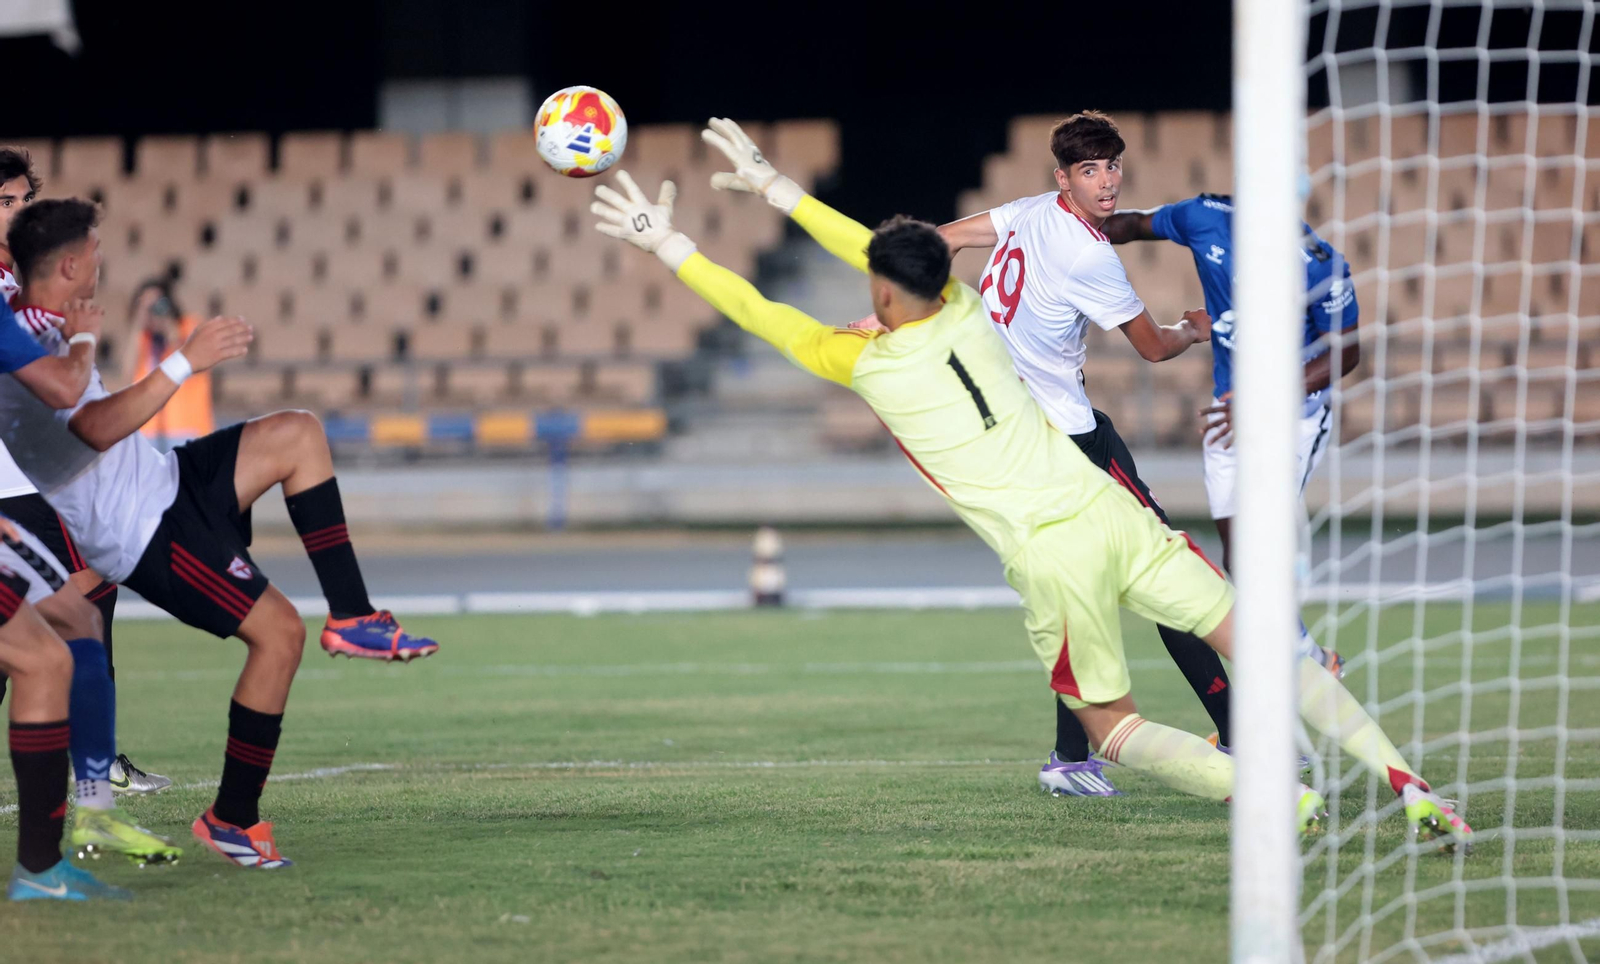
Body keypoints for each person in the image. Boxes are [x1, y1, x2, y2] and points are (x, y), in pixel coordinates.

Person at [590, 118, 1472, 850]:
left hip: (1053, 555)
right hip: (1111, 510)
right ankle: (1409, 782)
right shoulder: (969, 310)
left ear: (883, 295)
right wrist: (781, 189)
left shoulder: (862, 362)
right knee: (1269, 647)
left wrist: (668, 243)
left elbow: (761, 310)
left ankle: (1268, 798)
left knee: (1111, 729)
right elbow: (887, 249)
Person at [2, 198, 441, 869]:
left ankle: (354, 616)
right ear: (69, 263)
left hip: (164, 481)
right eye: (94, 251)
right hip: (144, 531)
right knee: (280, 635)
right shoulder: (33, 336)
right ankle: (234, 818)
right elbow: (90, 427)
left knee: (297, 432)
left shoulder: (45, 323)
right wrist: (184, 360)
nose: (101, 262)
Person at [933, 112, 1232, 796]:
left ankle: (1071, 759)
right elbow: (1152, 348)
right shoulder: (1087, 254)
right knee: (1166, 572)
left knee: (1083, 586)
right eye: (1090, 170)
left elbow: (945, 239)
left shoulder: (1031, 211)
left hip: (1021, 441)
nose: (1106, 181)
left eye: (1112, 166)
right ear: (1063, 177)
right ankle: (1242, 733)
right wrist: (1194, 329)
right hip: (1074, 437)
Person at [1101, 193, 1359, 672]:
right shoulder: (1204, 219)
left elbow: (1347, 354)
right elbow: (1132, 224)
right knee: (1239, 561)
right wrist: (1069, 225)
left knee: (1260, 549)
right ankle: (1313, 659)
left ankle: (1283, 702)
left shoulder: (1322, 267)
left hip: (1292, 419)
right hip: (1229, 416)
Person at [0, 146, 170, 794]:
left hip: (29, 480)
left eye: (22, 202)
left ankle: (97, 769)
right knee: (74, 610)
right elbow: (60, 386)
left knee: (83, 604)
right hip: (15, 484)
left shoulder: (18, 281)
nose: (16, 214)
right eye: (5, 202)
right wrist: (81, 337)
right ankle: (96, 779)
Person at [117, 279, 215, 450]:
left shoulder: (189, 325)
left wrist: (169, 328)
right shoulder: (143, 338)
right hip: (149, 430)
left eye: (158, 304)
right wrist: (138, 325)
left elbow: (193, 361)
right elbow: (127, 372)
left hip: (188, 428)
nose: (154, 311)